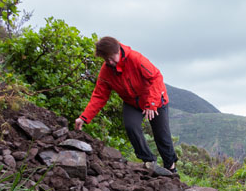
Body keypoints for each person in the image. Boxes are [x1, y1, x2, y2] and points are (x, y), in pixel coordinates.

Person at [75, 36, 178, 173]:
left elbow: (156, 77)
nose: (110, 62)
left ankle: (171, 167)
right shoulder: (106, 71)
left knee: (161, 135)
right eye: (106, 60)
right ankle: (149, 162)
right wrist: (84, 117)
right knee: (131, 127)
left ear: (118, 50)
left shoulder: (136, 59)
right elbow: (99, 96)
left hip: (156, 100)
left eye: (112, 58)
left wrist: (152, 103)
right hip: (132, 103)